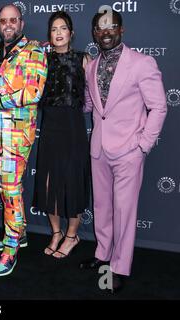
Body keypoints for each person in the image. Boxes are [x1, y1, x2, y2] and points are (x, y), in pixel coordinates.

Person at [79, 9, 167, 293]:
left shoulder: (142, 63)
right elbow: (90, 107)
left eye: (111, 26)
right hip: (99, 149)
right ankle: (102, 255)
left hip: (129, 150)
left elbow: (159, 107)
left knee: (124, 211)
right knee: (102, 208)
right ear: (94, 33)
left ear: (121, 29)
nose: (105, 32)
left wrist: (143, 145)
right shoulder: (91, 66)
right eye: (99, 28)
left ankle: (119, 267)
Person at [0, 4, 47, 276]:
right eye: (3, 21)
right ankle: (19, 233)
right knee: (6, 188)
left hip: (17, 135)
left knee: (10, 191)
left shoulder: (35, 50)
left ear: (21, 23)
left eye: (13, 20)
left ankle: (11, 249)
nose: (8, 25)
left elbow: (32, 93)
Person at [33, 11, 91, 259]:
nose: (58, 33)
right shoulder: (41, 60)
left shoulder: (83, 59)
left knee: (72, 181)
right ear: (50, 34)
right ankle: (56, 232)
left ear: (71, 32)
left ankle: (72, 235)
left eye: (63, 28)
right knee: (48, 182)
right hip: (49, 126)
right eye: (54, 29)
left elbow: (94, 97)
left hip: (73, 126)